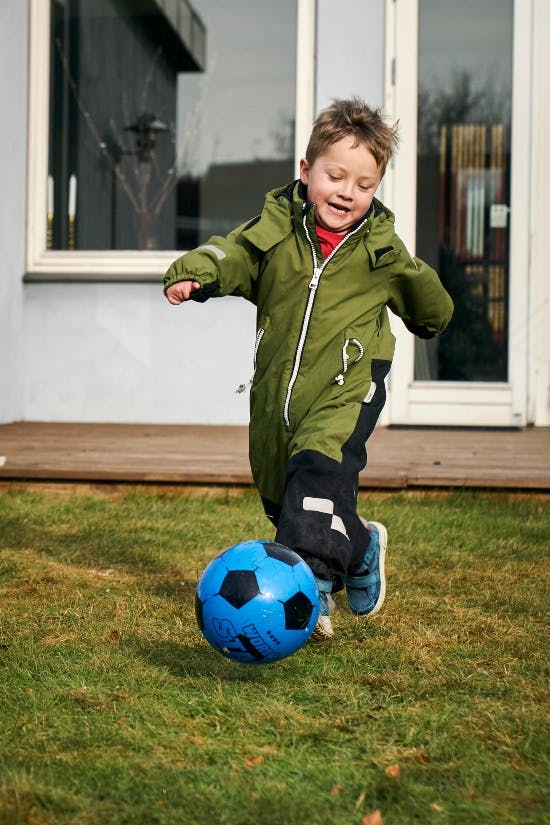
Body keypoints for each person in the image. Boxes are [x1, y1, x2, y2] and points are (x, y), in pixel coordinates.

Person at [163, 97, 453, 640]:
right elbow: (232, 255)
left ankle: (310, 590)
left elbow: (432, 310)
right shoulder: (275, 230)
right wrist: (197, 273)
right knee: (286, 495)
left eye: (364, 185)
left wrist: (416, 282)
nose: (346, 192)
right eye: (335, 176)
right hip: (279, 392)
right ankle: (361, 547)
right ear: (306, 170)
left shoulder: (381, 251)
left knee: (319, 472)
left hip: (349, 386)